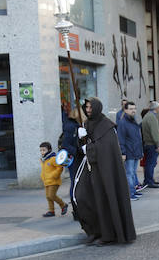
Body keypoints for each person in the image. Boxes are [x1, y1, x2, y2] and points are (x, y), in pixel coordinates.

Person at [72, 97, 136, 245]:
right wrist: (81, 138)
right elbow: (86, 143)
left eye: (90, 107)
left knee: (103, 200)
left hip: (104, 172)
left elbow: (105, 149)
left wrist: (87, 148)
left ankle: (107, 234)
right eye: (86, 107)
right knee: (81, 197)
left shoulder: (106, 126)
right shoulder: (86, 123)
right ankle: (93, 230)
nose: (88, 110)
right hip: (90, 169)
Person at [117, 100, 144, 201]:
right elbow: (121, 139)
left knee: (133, 173)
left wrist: (140, 152)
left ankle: (133, 191)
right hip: (128, 152)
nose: (133, 111)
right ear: (125, 110)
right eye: (131, 109)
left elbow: (137, 138)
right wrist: (123, 152)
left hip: (135, 151)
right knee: (129, 173)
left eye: (134, 108)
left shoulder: (133, 121)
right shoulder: (123, 122)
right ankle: (130, 193)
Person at [39, 141, 67, 217]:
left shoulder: (53, 158)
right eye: (41, 150)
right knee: (48, 197)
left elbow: (60, 167)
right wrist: (42, 176)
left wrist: (54, 176)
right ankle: (51, 211)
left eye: (44, 150)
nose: (42, 152)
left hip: (54, 181)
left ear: (49, 150)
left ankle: (63, 205)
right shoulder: (44, 160)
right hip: (47, 181)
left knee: (51, 195)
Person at [60, 105, 81, 204]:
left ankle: (75, 200)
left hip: (75, 156)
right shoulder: (71, 126)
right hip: (73, 158)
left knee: (76, 180)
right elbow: (65, 144)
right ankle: (74, 201)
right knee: (74, 180)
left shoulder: (75, 126)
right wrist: (77, 151)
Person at [141, 100, 159, 188]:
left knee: (149, 163)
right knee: (150, 163)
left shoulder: (148, 116)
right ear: (156, 108)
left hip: (148, 143)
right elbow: (155, 132)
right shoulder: (151, 117)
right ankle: (149, 181)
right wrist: (158, 144)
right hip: (151, 144)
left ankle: (148, 179)